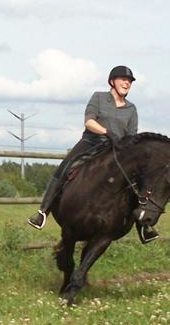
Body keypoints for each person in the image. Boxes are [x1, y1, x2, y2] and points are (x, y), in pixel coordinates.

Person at [27, 64, 158, 242]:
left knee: (137, 179)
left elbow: (131, 136)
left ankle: (143, 226)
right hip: (92, 142)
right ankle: (43, 212)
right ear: (112, 81)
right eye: (123, 80)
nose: (127, 83)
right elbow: (89, 122)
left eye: (129, 81)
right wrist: (106, 132)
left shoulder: (131, 109)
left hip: (117, 149)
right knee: (65, 167)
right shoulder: (98, 97)